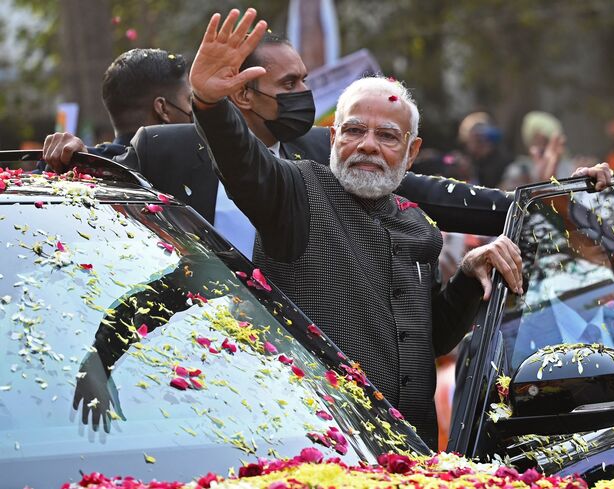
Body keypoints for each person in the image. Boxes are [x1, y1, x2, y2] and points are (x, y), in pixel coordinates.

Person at [185, 8, 525, 448]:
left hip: (413, 458)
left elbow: (430, 340)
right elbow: (244, 163)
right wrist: (209, 104)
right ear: (333, 140)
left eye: (386, 136)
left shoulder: (418, 225)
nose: (367, 145)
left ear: (411, 151)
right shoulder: (296, 193)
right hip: (318, 454)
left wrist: (467, 276)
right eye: (354, 130)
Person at [43, 49, 193, 160]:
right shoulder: (81, 165)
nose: (196, 110)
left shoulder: (90, 168)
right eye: (189, 100)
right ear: (163, 109)